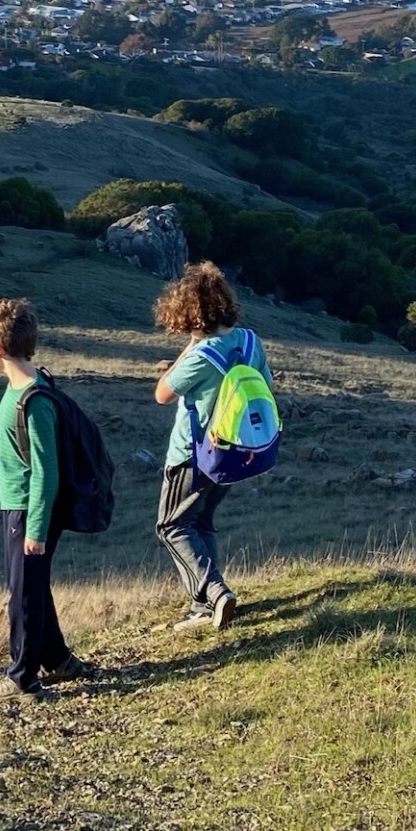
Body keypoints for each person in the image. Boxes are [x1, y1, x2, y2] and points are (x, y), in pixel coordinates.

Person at [0, 297, 91, 697]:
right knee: (34, 586)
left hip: (28, 512)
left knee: (22, 595)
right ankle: (58, 658)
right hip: (20, 508)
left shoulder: (33, 401)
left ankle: (22, 676)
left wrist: (37, 529)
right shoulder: (31, 384)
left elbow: (47, 470)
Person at [153, 261, 274, 631]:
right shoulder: (251, 341)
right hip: (233, 453)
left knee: (171, 526)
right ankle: (203, 608)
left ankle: (215, 593)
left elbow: (162, 392)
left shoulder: (202, 356)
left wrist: (190, 347)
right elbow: (266, 384)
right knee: (202, 522)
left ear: (189, 315)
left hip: (192, 455)